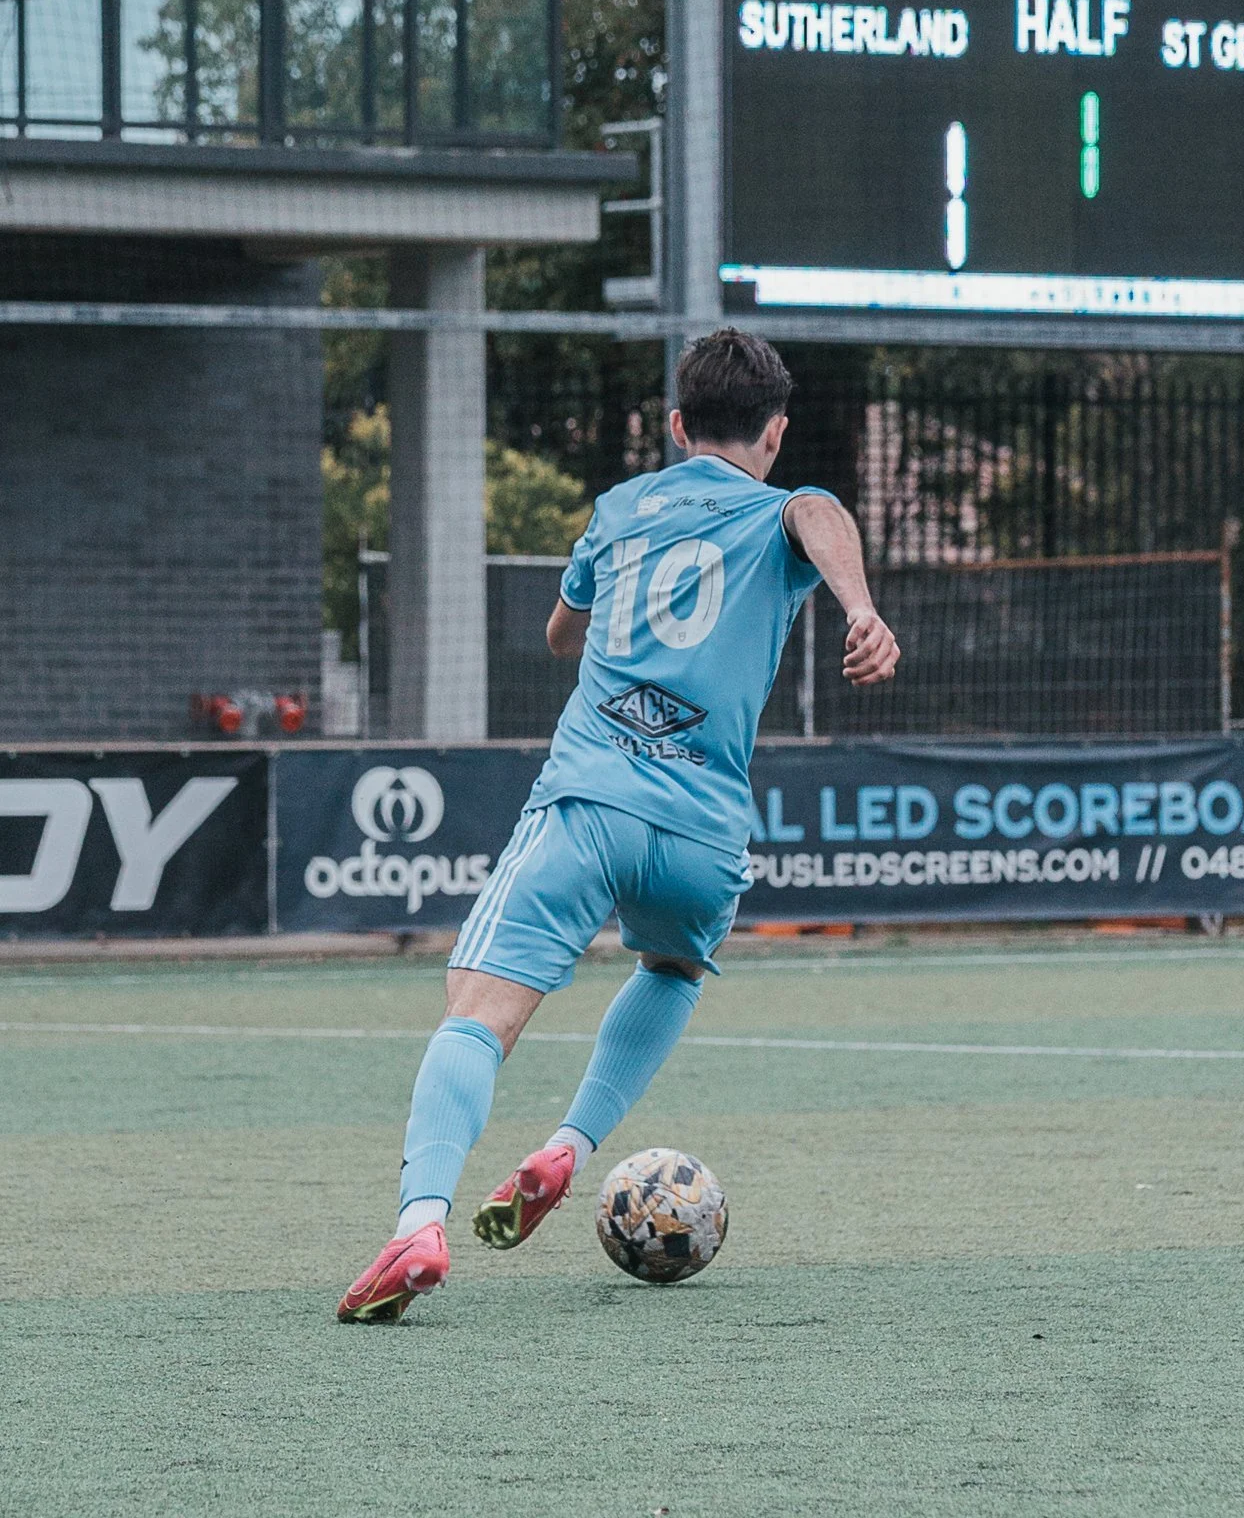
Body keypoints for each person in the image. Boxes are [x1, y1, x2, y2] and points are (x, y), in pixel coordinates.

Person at [339, 327, 900, 1321]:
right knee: (673, 969)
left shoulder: (619, 511)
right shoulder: (786, 511)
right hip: (704, 833)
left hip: (590, 804)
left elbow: (563, 631)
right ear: (775, 432)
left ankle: (419, 1222)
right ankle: (572, 1142)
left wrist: (600, 602)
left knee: (475, 1011)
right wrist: (857, 605)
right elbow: (814, 511)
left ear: (677, 425)